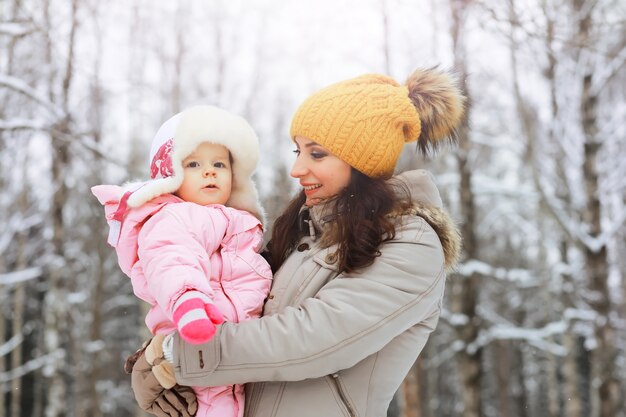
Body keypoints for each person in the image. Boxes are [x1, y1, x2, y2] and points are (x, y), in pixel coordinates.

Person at [128, 67, 465, 417]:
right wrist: (154, 359)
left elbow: (314, 339)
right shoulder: (306, 234)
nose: (297, 169)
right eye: (298, 152)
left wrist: (174, 356)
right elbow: (233, 304)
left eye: (316, 154)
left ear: (362, 160)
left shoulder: (412, 242)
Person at [92, 105, 272, 417]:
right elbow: (171, 259)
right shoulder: (172, 216)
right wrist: (189, 303)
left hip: (238, 351)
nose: (210, 171)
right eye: (193, 164)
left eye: (219, 163)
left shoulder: (242, 223)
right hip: (195, 336)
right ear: (170, 175)